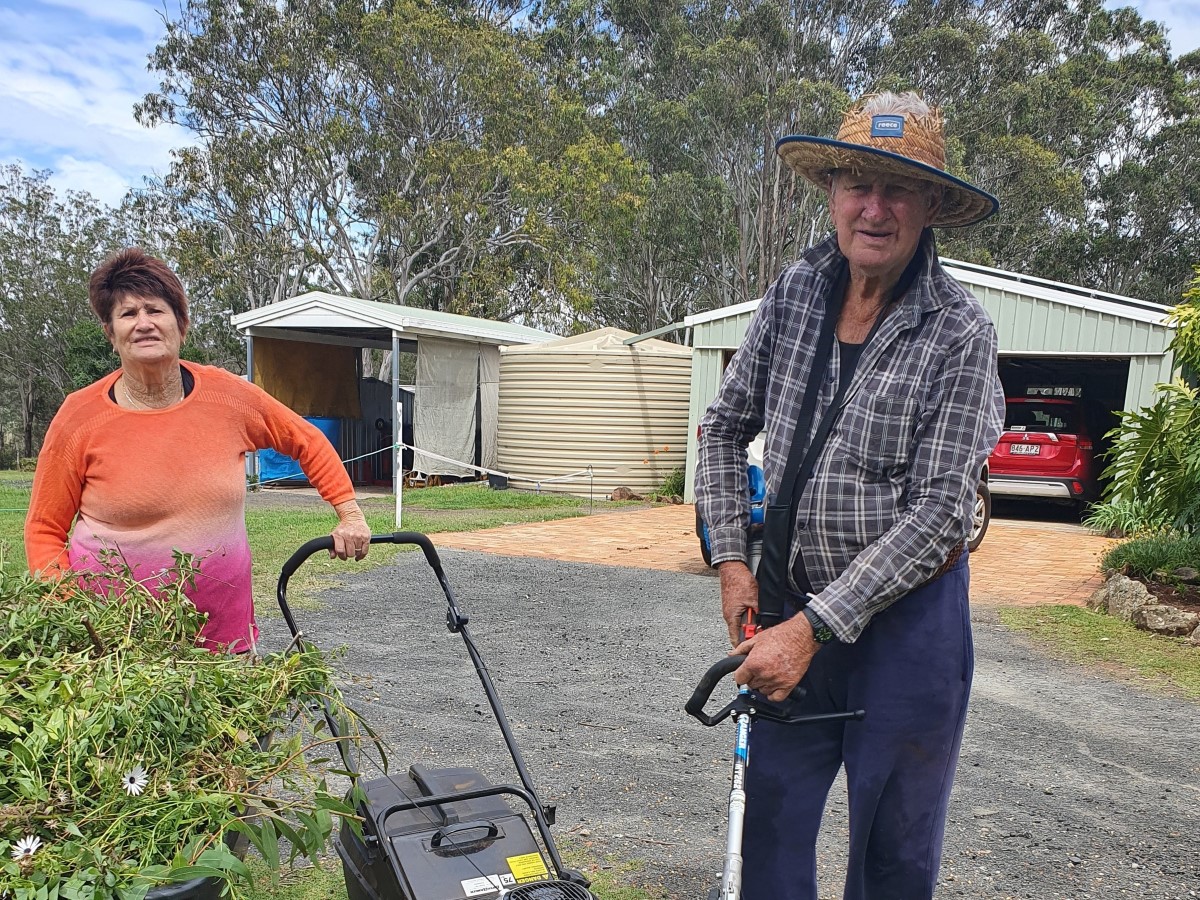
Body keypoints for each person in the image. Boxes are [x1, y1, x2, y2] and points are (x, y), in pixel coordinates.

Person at [694, 91, 1005, 899]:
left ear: (932, 204)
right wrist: (733, 563)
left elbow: (940, 512)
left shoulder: (959, 330)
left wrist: (813, 629)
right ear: (831, 191)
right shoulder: (796, 290)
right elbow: (725, 427)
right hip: (786, 602)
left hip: (909, 629)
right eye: (856, 184)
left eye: (898, 188)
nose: (874, 207)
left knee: (893, 847)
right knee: (769, 822)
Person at [25, 248, 373, 652]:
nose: (144, 324)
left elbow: (307, 440)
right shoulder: (79, 416)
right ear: (110, 333)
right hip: (115, 650)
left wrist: (350, 514)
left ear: (181, 324)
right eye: (127, 314)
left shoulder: (229, 396)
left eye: (156, 310)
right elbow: (44, 530)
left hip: (224, 640)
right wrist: (72, 615)